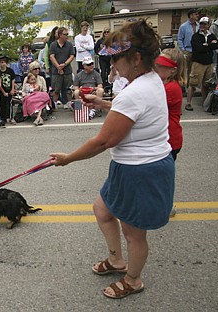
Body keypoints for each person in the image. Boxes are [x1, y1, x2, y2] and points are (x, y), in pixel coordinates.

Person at [50, 19, 174, 299]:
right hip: (130, 167)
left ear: (137, 58)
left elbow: (104, 141)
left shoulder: (137, 90)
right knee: (102, 210)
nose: (113, 64)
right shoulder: (149, 79)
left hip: (141, 170)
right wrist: (105, 103)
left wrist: (67, 159)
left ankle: (133, 279)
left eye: (117, 58)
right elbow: (132, 110)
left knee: (134, 233)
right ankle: (117, 260)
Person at [154, 49, 186, 217]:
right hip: (165, 137)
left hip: (170, 139)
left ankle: (167, 207)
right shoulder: (163, 84)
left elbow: (146, 107)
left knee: (162, 177)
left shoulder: (171, 88)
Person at [185, 16, 218, 111]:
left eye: (204, 24)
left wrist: (207, 44)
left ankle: (205, 103)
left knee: (206, 84)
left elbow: (217, 45)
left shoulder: (211, 35)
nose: (202, 26)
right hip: (198, 62)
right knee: (193, 83)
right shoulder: (195, 36)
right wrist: (210, 45)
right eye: (201, 24)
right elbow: (198, 48)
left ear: (208, 25)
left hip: (209, 63)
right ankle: (188, 103)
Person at [49, 27, 75, 110]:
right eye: (65, 34)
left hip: (67, 70)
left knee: (68, 88)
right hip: (56, 71)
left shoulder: (69, 45)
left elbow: (72, 56)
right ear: (60, 35)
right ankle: (54, 105)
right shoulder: (53, 45)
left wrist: (64, 64)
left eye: (67, 34)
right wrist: (58, 66)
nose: (66, 36)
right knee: (56, 89)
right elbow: (51, 56)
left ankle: (70, 104)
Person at [178, 8, 200, 84]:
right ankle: (185, 85)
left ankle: (193, 85)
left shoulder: (199, 26)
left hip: (197, 51)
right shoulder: (183, 26)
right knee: (186, 69)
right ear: (191, 16)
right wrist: (183, 50)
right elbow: (180, 39)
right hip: (188, 51)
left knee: (195, 69)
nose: (198, 16)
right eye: (196, 14)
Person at [0, 55, 16, 125]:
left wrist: (13, 89)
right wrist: (3, 92)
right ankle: (3, 118)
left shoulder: (10, 70)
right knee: (2, 104)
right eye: (2, 62)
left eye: (4, 62)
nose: (3, 64)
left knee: (10, 104)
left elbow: (13, 80)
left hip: (9, 90)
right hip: (2, 91)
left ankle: (11, 117)